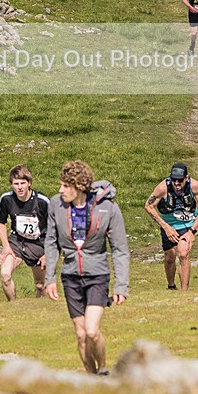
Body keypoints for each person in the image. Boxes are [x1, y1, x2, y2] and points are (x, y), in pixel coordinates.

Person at [45, 160, 129, 375]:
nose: (60, 190)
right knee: (81, 334)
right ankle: (91, 379)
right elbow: (51, 242)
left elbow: (120, 249)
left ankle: (103, 370)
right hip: (70, 276)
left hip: (97, 275)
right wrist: (50, 279)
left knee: (91, 331)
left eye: (65, 186)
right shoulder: (55, 205)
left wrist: (121, 285)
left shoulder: (107, 208)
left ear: (80, 187)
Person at [144, 162, 198, 292]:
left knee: (183, 254)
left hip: (187, 223)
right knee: (169, 257)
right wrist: (166, 227)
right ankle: (171, 286)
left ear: (187, 178)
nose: (177, 183)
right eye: (174, 180)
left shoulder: (194, 186)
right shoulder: (163, 187)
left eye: (180, 180)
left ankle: (184, 292)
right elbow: (148, 205)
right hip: (168, 223)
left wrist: (192, 231)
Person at [0, 165, 49, 301]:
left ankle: (41, 308)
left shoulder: (42, 201)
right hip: (17, 242)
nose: (19, 187)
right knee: (5, 275)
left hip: (39, 244)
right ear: (11, 184)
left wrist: (48, 253)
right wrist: (6, 246)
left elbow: (55, 229)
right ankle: (13, 306)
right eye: (16, 184)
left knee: (40, 285)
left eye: (22, 183)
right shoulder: (6, 199)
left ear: (29, 183)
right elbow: (0, 222)